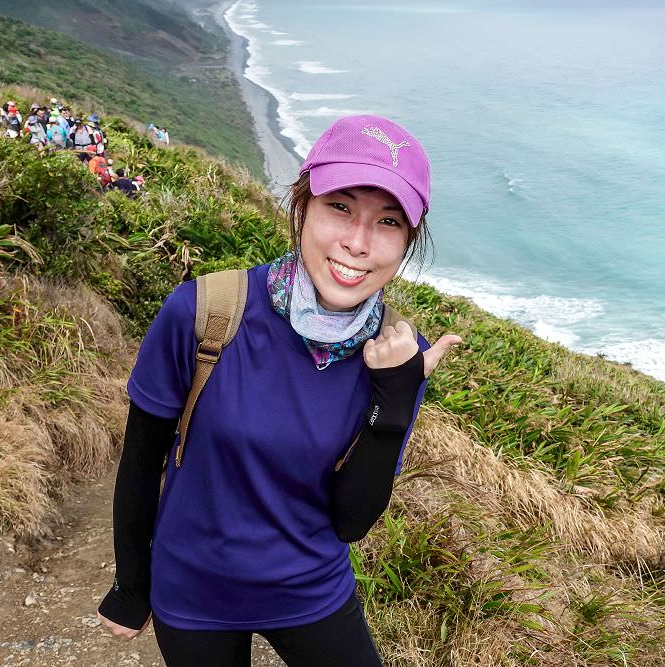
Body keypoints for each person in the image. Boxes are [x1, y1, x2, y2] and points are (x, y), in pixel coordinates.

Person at [95, 114, 461, 666]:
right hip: (195, 590)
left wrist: (396, 396)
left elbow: (351, 522)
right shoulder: (204, 313)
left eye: (387, 222)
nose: (358, 243)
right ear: (302, 206)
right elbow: (141, 463)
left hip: (311, 591)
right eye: (340, 207)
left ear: (408, 240)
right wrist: (131, 584)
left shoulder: (398, 354)